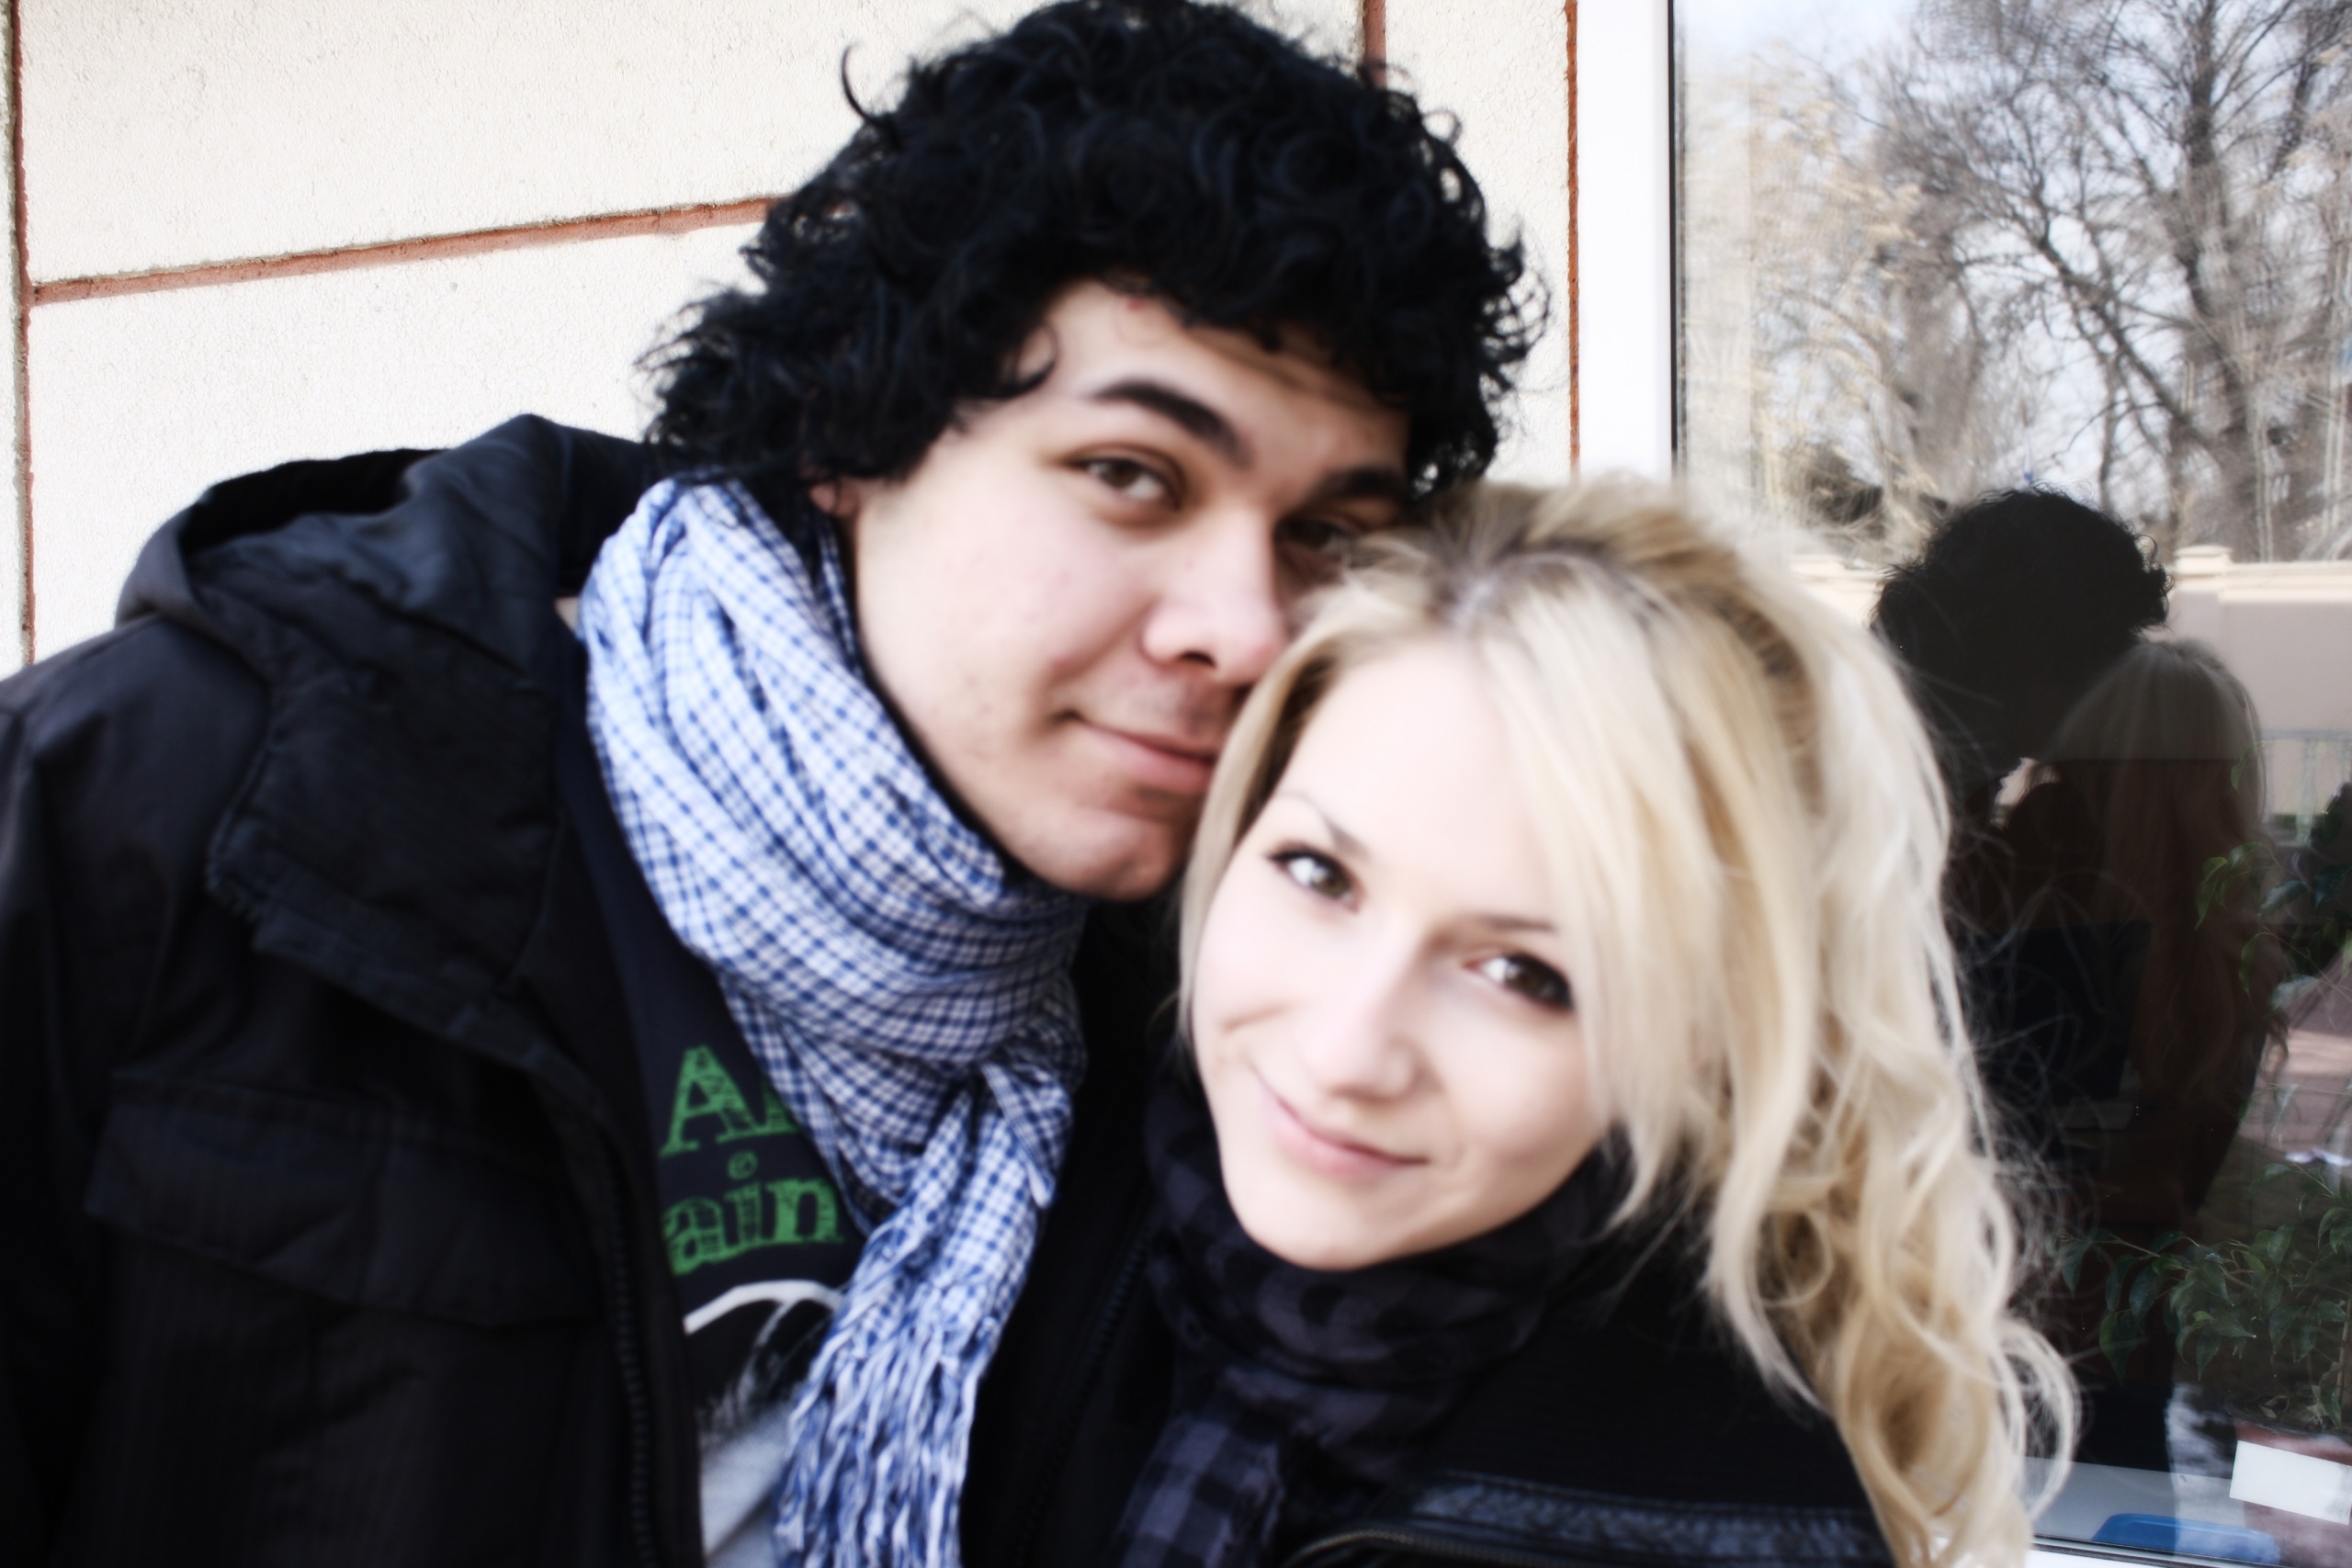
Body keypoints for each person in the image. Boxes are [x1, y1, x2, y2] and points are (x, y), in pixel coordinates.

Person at [0, 4, 1534, 1565]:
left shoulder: (1242, 1017)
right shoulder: (179, 803)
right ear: (848, 432)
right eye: (1132, 476)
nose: (1248, 627)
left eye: (1322, 535)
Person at [988, 480, 2076, 1568]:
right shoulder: (976, 1227)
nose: (1344, 1051)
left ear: (1695, 1038)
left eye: (1524, 974)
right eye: (1318, 873)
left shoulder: (1735, 1521)